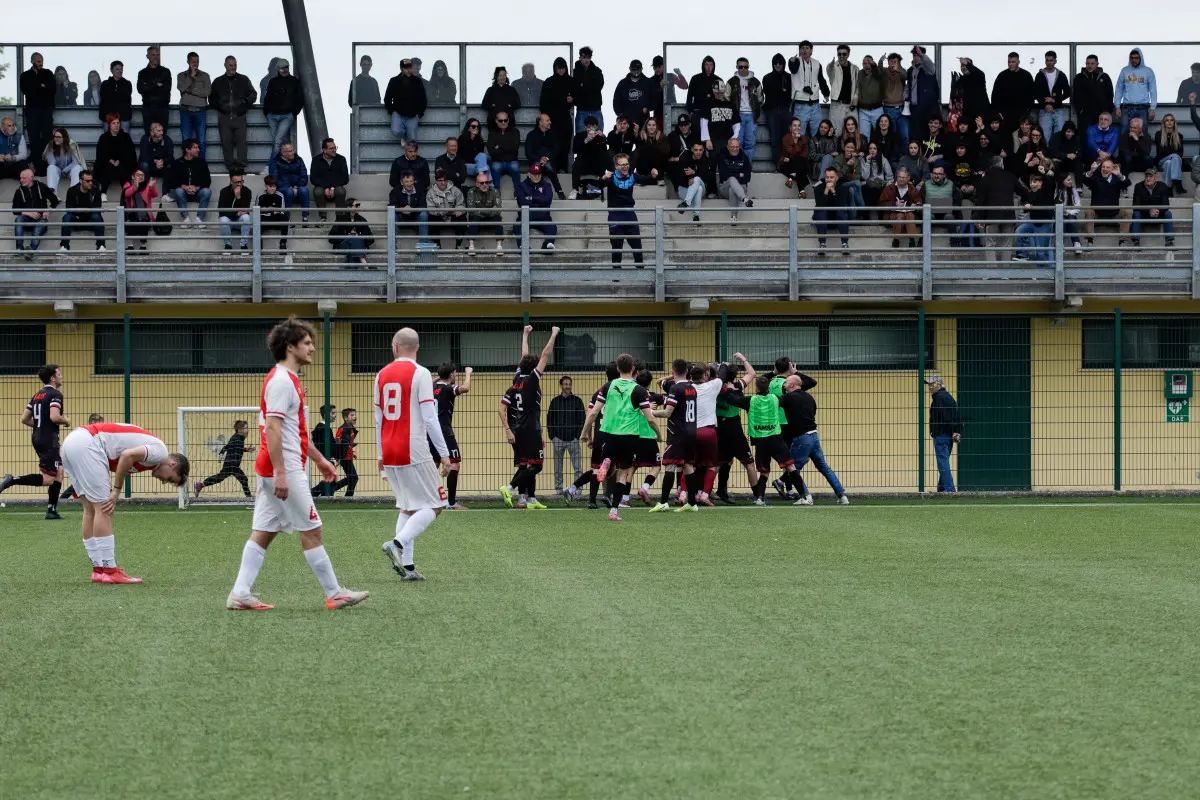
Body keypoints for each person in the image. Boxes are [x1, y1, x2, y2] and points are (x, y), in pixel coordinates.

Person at [226, 317, 368, 610]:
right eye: (306, 343)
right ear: (290, 347)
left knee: (264, 531)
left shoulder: (288, 380)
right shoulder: (281, 381)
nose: (312, 348)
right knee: (312, 529)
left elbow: (294, 432)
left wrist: (319, 461)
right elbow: (274, 429)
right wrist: (281, 473)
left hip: (278, 467)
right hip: (284, 469)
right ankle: (334, 593)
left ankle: (240, 593)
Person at [56, 419, 188, 584]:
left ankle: (99, 570)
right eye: (169, 478)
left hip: (72, 443)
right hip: (87, 443)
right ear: (172, 464)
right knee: (104, 508)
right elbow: (127, 456)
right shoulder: (160, 452)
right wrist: (117, 491)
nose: (163, 481)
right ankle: (110, 571)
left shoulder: (151, 458)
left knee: (89, 509)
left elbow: (124, 457)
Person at [372, 328, 453, 582]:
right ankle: (397, 543)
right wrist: (445, 454)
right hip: (413, 448)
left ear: (395, 347)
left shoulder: (381, 375)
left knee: (408, 506)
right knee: (436, 504)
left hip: (389, 449)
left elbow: (378, 419)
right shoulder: (421, 374)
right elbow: (430, 418)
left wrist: (380, 455)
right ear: (417, 348)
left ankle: (407, 567)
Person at [582, 353, 661, 521]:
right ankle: (614, 511)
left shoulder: (608, 386)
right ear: (633, 369)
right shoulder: (639, 390)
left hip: (608, 434)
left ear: (618, 368)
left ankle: (608, 462)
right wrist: (659, 434)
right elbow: (650, 418)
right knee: (623, 474)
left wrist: (584, 432)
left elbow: (593, 412)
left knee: (609, 465)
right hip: (629, 436)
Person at [498, 325, 561, 510]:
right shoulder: (532, 380)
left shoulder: (517, 378)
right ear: (534, 368)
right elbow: (546, 355)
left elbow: (524, 355)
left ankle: (530, 499)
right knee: (538, 465)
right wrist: (554, 334)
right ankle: (509, 488)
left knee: (526, 464)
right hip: (529, 429)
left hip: (520, 429)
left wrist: (525, 334)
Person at [0, 364, 71, 519]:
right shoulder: (55, 394)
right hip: (48, 440)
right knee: (48, 479)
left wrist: (40, 425)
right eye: (59, 373)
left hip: (38, 437)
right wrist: (66, 421)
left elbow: (24, 419)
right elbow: (54, 417)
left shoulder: (37, 395)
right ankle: (12, 480)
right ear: (52, 377)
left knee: (59, 472)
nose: (61, 376)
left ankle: (51, 510)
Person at [781, 373, 847, 504]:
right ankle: (842, 495)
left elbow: (774, 402)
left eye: (786, 382)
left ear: (792, 385)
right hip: (814, 436)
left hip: (801, 438)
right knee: (824, 467)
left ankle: (805, 496)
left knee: (793, 469)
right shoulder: (810, 397)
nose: (783, 384)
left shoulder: (788, 398)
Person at [711, 356, 758, 504]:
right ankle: (758, 496)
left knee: (722, 461)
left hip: (718, 426)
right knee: (749, 462)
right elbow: (751, 374)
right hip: (733, 428)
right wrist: (743, 359)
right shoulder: (737, 387)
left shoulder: (713, 387)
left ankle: (708, 491)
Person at [601, 154, 657, 267]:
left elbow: (646, 179)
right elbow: (597, 186)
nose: (625, 167)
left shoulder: (632, 176)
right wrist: (603, 178)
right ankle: (617, 274)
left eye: (627, 164)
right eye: (622, 165)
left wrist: (653, 175)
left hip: (629, 214)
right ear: (616, 166)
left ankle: (640, 269)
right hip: (615, 215)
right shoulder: (611, 177)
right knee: (617, 246)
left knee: (637, 245)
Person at [430, 363, 472, 510]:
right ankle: (451, 503)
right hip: (444, 432)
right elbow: (465, 388)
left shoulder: (431, 388)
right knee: (454, 464)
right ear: (451, 375)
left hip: (429, 432)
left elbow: (432, 381)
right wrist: (468, 373)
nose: (456, 376)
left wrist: (439, 377)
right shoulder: (448, 389)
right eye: (455, 373)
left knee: (432, 465)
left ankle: (425, 501)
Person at [209, 56, 257, 174]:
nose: (233, 67)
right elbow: (211, 98)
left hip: (239, 116)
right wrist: (220, 106)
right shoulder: (218, 81)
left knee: (241, 143)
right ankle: (230, 168)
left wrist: (244, 103)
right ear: (225, 65)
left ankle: (241, 168)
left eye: (235, 64)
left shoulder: (244, 80)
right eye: (231, 65)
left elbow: (253, 94)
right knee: (226, 143)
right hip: (224, 117)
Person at [263, 59, 304, 175]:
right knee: (281, 142)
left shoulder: (294, 82)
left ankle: (271, 168)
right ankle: (283, 167)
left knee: (277, 141)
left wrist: (293, 113)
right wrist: (267, 112)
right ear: (277, 69)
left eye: (286, 67)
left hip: (287, 115)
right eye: (282, 68)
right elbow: (267, 97)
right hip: (273, 116)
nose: (284, 70)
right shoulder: (273, 82)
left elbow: (300, 99)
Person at [194, 420, 254, 498]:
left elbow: (233, 447)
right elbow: (227, 447)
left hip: (231, 464)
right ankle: (249, 498)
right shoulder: (236, 438)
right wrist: (221, 453)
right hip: (231, 464)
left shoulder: (238, 438)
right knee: (244, 479)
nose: (248, 430)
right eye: (246, 428)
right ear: (239, 429)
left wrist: (246, 449)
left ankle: (201, 485)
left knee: (220, 478)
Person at [548, 375, 585, 499]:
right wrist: (553, 436)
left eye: (569, 384)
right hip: (558, 438)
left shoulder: (577, 401)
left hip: (573, 439)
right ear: (561, 386)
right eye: (565, 384)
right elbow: (549, 420)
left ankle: (578, 490)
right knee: (558, 467)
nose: (567, 386)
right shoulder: (555, 401)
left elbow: (582, 420)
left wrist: (577, 435)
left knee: (577, 467)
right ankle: (559, 490)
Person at [20, 52, 55, 174]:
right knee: (33, 139)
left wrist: (38, 87)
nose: (41, 63)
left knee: (47, 137)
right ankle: (38, 167)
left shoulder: (48, 73)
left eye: (42, 61)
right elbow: (27, 90)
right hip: (32, 111)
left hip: (46, 110)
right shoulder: (25, 75)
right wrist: (41, 86)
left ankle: (47, 167)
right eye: (38, 61)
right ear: (32, 61)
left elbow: (52, 90)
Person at [12, 167, 58, 258]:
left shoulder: (41, 187)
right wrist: (28, 213)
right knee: (18, 219)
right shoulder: (19, 191)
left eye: (23, 178)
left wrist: (48, 211)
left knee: (39, 226)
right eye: (20, 178)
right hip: (26, 221)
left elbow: (55, 201)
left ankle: (31, 251)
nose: (21, 180)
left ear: (31, 178)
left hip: (40, 220)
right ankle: (19, 249)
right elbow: (14, 209)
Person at [926, 376, 961, 493]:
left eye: (933, 384)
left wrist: (952, 431)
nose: (930, 387)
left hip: (941, 434)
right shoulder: (949, 397)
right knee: (944, 461)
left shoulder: (939, 398)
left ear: (940, 385)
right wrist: (956, 431)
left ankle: (949, 489)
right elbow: (956, 415)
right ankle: (941, 488)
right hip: (949, 435)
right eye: (929, 384)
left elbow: (945, 417)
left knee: (942, 462)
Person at [540, 58, 574, 172]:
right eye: (559, 69)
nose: (561, 71)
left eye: (563, 68)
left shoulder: (570, 81)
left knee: (565, 144)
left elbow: (578, 97)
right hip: (552, 119)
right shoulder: (549, 82)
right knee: (553, 143)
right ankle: (553, 167)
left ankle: (563, 168)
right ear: (555, 69)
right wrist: (545, 117)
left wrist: (572, 100)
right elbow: (543, 101)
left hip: (565, 117)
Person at [1013, 172, 1056, 262]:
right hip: (1033, 221)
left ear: (1041, 183)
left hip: (1045, 223)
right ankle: (1023, 255)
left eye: (1035, 182)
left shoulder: (1046, 191)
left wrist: (1044, 173)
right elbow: (1027, 206)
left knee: (1041, 250)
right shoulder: (1031, 193)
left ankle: (1045, 271)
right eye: (1031, 182)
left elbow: (1049, 183)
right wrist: (1027, 205)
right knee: (1019, 231)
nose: (1032, 184)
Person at [788, 42, 828, 138]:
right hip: (800, 105)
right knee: (799, 134)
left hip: (815, 105)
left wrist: (826, 93)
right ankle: (799, 153)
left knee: (817, 134)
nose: (804, 50)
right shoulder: (795, 61)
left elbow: (821, 79)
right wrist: (792, 61)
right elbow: (793, 69)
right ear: (799, 50)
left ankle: (816, 153)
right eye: (802, 48)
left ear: (811, 51)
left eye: (807, 48)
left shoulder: (817, 63)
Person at [991, 52, 1034, 138]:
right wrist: (998, 112)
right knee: (1007, 138)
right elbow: (995, 95)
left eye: (1013, 62)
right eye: (1009, 62)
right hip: (1005, 115)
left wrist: (1027, 111)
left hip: (1021, 115)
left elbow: (1032, 94)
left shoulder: (1026, 76)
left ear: (1018, 62)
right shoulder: (1002, 76)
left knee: (1021, 138)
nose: (1010, 64)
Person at [384, 59, 428, 144]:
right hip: (398, 113)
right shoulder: (394, 81)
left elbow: (423, 99)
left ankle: (410, 156)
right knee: (395, 131)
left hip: (413, 115)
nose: (408, 69)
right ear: (401, 69)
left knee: (411, 138)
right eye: (406, 67)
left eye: (410, 67)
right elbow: (387, 98)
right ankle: (404, 136)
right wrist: (392, 111)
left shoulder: (417, 81)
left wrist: (419, 113)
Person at [177, 52, 212, 160]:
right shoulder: (181, 75)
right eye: (193, 62)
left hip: (200, 111)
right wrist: (191, 77)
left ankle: (200, 166)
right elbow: (182, 88)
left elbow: (207, 92)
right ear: (188, 62)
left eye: (197, 61)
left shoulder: (205, 76)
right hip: (185, 111)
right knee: (186, 140)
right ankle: (186, 165)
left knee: (201, 141)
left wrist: (191, 90)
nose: (195, 64)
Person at [60, 170, 105, 251]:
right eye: (88, 181)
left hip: (90, 221)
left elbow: (97, 207)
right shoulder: (72, 191)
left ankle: (101, 246)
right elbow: (69, 208)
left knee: (97, 216)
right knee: (66, 217)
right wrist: (83, 213)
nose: (90, 183)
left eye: (92, 180)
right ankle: (64, 246)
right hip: (76, 221)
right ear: (81, 181)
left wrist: (80, 212)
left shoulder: (95, 190)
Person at [514, 164, 557, 250]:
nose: (537, 176)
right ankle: (523, 246)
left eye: (539, 174)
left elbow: (548, 200)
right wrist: (541, 200)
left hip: (543, 217)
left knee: (552, 227)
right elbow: (522, 202)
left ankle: (547, 245)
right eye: (534, 174)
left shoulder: (546, 185)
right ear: (529, 174)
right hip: (527, 216)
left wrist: (531, 198)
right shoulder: (521, 186)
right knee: (518, 226)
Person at [728, 57, 763, 162]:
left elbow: (761, 98)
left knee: (750, 143)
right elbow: (726, 97)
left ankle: (747, 168)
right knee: (738, 143)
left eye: (745, 66)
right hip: (737, 116)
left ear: (748, 67)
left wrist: (756, 110)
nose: (743, 69)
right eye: (740, 67)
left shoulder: (755, 82)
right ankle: (738, 167)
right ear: (737, 67)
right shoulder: (732, 81)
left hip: (752, 116)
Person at [170, 139, 212, 225]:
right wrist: (185, 187)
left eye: (198, 147)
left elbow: (207, 180)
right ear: (187, 150)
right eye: (195, 148)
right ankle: (186, 218)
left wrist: (196, 188)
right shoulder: (177, 163)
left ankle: (199, 219)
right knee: (178, 190)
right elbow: (172, 181)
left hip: (197, 193)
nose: (198, 150)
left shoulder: (201, 162)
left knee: (207, 191)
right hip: (183, 193)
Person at [1115, 48, 1156, 134]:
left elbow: (1153, 90)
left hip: (1142, 107)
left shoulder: (1148, 71)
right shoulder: (1124, 71)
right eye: (1132, 58)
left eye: (1136, 58)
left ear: (1140, 58)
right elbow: (1119, 89)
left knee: (1142, 132)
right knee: (1124, 132)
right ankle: (1125, 148)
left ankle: (1141, 148)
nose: (1134, 60)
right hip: (1126, 107)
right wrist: (1117, 106)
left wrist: (1153, 108)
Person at [1131, 168, 1175, 248]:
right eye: (1146, 176)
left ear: (1156, 177)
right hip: (1144, 214)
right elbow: (1135, 205)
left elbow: (1166, 204)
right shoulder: (1138, 186)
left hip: (1158, 214)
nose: (1148, 178)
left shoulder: (1163, 186)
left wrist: (1158, 211)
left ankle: (1169, 241)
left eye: (1150, 176)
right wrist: (1149, 211)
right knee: (1136, 214)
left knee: (1168, 214)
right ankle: (1136, 242)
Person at [526, 113, 567, 199]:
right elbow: (528, 153)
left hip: (549, 161)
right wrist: (540, 159)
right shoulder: (531, 135)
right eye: (547, 120)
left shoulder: (553, 134)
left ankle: (559, 191)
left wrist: (546, 158)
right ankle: (528, 191)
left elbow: (557, 150)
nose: (550, 122)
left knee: (549, 167)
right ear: (540, 123)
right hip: (536, 161)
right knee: (535, 167)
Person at [880, 167, 923, 248]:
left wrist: (916, 205)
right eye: (899, 177)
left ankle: (909, 239)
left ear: (908, 179)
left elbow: (919, 202)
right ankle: (899, 239)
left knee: (909, 214)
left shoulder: (912, 189)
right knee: (900, 215)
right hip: (892, 214)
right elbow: (881, 204)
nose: (901, 179)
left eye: (903, 177)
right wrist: (894, 203)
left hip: (909, 214)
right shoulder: (889, 188)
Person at [762, 54, 793, 164]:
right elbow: (768, 93)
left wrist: (783, 93)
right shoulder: (767, 77)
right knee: (775, 139)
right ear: (772, 64)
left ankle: (786, 163)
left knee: (786, 139)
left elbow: (790, 94)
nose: (778, 65)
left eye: (780, 63)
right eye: (775, 63)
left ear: (784, 64)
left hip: (785, 110)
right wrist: (782, 91)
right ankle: (778, 163)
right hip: (772, 111)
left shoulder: (789, 77)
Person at [1033, 50, 1071, 140]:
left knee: (1059, 135)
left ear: (1055, 61)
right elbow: (1035, 93)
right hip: (1044, 110)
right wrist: (1045, 104)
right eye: (1047, 60)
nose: (1049, 62)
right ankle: (1044, 154)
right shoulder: (1040, 75)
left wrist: (1055, 100)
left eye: (1051, 60)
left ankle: (1057, 154)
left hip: (1058, 109)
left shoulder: (1061, 75)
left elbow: (1068, 92)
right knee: (1044, 136)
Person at [1072, 54, 1114, 135]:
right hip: (1085, 114)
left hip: (1101, 114)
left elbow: (1110, 94)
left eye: (1092, 63)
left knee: (1101, 136)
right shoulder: (1079, 77)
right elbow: (1075, 95)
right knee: (1085, 136)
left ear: (1097, 64)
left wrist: (1107, 111)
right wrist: (1080, 110)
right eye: (1088, 63)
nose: (1090, 66)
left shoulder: (1105, 77)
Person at [426, 168, 467, 250]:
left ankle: (458, 245)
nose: (443, 182)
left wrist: (459, 210)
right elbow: (430, 209)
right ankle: (437, 245)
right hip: (439, 216)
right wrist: (440, 212)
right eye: (440, 180)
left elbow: (461, 204)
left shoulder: (455, 190)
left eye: (445, 180)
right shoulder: (430, 192)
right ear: (436, 181)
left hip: (452, 215)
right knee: (431, 220)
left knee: (463, 219)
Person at [570, 116, 609, 199]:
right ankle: (575, 189)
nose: (590, 129)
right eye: (588, 127)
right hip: (583, 161)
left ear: (596, 127)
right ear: (585, 127)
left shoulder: (600, 137)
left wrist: (602, 138)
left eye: (593, 126)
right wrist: (586, 140)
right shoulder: (579, 136)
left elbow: (604, 151)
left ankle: (600, 187)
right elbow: (575, 150)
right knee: (576, 164)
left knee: (605, 157)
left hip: (596, 162)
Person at [311, 138, 349, 221]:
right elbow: (313, 178)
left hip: (336, 188)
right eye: (331, 148)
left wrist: (333, 187)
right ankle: (323, 217)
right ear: (324, 150)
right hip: (322, 188)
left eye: (335, 147)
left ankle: (340, 217)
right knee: (317, 191)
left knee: (341, 190)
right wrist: (325, 187)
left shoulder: (341, 159)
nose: (334, 150)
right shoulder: (316, 160)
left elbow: (345, 178)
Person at [907, 46, 940, 142]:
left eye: (918, 55)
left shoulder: (928, 68)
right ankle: (917, 154)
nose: (916, 58)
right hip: (915, 108)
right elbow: (908, 86)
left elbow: (932, 68)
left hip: (928, 108)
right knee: (915, 134)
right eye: (914, 56)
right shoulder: (910, 70)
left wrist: (922, 55)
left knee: (927, 133)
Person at [465, 173, 503, 255]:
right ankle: (471, 246)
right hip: (477, 217)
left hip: (490, 217)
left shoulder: (495, 191)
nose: (485, 185)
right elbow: (471, 210)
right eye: (482, 183)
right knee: (473, 218)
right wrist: (489, 210)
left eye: (487, 182)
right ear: (477, 184)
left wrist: (481, 210)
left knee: (498, 218)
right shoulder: (471, 192)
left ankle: (499, 247)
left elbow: (498, 209)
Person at [137, 46, 172, 136]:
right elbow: (140, 89)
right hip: (148, 108)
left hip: (162, 108)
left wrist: (148, 85)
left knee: (162, 135)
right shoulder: (142, 73)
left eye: (158, 55)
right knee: (149, 135)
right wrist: (155, 84)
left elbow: (167, 89)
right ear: (147, 56)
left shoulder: (165, 71)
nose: (156, 57)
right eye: (153, 55)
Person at [675, 140, 713, 221]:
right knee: (698, 188)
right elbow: (679, 178)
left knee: (697, 179)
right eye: (696, 150)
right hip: (684, 189)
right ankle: (696, 216)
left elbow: (707, 177)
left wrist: (694, 173)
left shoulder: (705, 161)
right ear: (692, 149)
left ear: (703, 150)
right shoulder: (685, 158)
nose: (698, 152)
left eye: (700, 150)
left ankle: (686, 203)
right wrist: (688, 181)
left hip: (701, 188)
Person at [716, 137, 753, 221]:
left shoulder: (744, 157)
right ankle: (744, 199)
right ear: (728, 147)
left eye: (737, 147)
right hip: (724, 187)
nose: (735, 149)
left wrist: (734, 176)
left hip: (741, 187)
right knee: (731, 179)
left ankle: (733, 217)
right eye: (732, 147)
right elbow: (724, 176)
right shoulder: (722, 157)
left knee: (732, 189)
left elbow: (747, 177)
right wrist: (739, 175)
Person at [328, 199, 374, 265]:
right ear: (349, 207)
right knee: (353, 239)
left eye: (359, 205)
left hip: (357, 246)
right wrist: (347, 237)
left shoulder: (362, 220)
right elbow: (331, 238)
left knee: (356, 239)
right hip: (343, 246)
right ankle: (364, 262)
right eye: (356, 205)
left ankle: (363, 262)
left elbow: (371, 239)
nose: (358, 207)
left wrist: (359, 236)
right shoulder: (340, 219)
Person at [121, 168, 157, 251]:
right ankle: (130, 245)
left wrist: (151, 187)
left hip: (145, 214)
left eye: (142, 175)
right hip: (131, 213)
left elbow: (155, 195)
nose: (140, 177)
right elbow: (126, 194)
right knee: (132, 218)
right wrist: (135, 186)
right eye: (138, 175)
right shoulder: (128, 184)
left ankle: (143, 246)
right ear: (133, 177)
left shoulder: (147, 185)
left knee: (143, 218)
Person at [390, 171, 430, 246]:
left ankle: (423, 246)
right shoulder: (395, 191)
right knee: (392, 215)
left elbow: (423, 205)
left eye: (411, 181)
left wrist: (412, 209)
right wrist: (402, 209)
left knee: (424, 214)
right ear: (402, 182)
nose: (409, 183)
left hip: (416, 216)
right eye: (407, 181)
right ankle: (392, 247)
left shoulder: (420, 190)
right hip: (401, 217)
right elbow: (391, 205)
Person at [826, 46, 859, 136]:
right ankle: (836, 150)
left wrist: (855, 98)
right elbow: (829, 70)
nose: (841, 56)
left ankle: (852, 150)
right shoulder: (833, 67)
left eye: (844, 54)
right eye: (839, 54)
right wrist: (831, 65)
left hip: (850, 105)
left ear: (848, 54)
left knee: (853, 131)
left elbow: (857, 86)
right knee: (836, 132)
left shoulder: (855, 68)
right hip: (837, 105)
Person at [486, 111, 521, 195]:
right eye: (501, 120)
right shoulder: (492, 133)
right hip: (497, 161)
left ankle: (518, 191)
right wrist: (507, 147)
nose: (503, 122)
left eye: (505, 120)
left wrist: (499, 146)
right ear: (496, 121)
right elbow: (491, 151)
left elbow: (515, 148)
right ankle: (496, 192)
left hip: (511, 161)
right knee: (495, 167)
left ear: (508, 120)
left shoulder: (515, 131)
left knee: (515, 167)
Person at [701, 79, 738, 156]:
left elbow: (736, 123)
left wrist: (734, 138)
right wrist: (707, 139)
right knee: (713, 163)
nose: (719, 94)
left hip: (728, 139)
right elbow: (703, 122)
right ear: (713, 91)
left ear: (724, 91)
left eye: (721, 92)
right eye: (717, 93)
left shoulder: (730, 104)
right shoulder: (708, 103)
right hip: (713, 140)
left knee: (727, 163)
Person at [274, 142, 310, 223]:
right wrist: (288, 187)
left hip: (297, 187)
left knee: (304, 190)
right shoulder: (275, 161)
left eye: (292, 150)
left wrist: (297, 186)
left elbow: (304, 175)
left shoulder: (299, 160)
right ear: (283, 153)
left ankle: (305, 218)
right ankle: (287, 218)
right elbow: (274, 178)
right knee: (289, 191)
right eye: (290, 151)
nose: (293, 152)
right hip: (282, 187)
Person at [217, 171, 252, 252]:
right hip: (229, 220)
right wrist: (236, 213)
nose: (239, 184)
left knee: (246, 217)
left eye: (241, 181)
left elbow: (245, 209)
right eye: (237, 182)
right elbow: (221, 210)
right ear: (231, 182)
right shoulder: (224, 191)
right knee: (223, 219)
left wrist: (238, 196)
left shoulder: (247, 191)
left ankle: (243, 246)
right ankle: (228, 245)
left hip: (239, 220)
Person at [573, 47, 605, 133]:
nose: (586, 60)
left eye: (588, 57)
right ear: (580, 57)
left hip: (596, 110)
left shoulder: (597, 71)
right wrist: (588, 85)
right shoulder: (574, 72)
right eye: (584, 57)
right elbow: (574, 88)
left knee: (598, 138)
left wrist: (583, 85)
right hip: (581, 110)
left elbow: (599, 86)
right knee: (581, 139)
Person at [613, 60, 651, 130]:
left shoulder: (648, 82)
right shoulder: (622, 83)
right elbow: (616, 101)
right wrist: (620, 115)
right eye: (634, 70)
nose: (636, 72)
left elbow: (654, 98)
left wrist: (648, 107)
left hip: (643, 121)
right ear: (630, 69)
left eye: (638, 70)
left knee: (642, 140)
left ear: (642, 69)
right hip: (626, 122)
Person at [257, 175, 290, 256]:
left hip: (275, 219)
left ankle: (283, 244)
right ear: (266, 186)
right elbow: (257, 211)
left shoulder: (280, 195)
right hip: (264, 219)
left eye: (274, 186)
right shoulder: (260, 195)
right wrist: (273, 210)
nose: (273, 188)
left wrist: (267, 209)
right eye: (270, 186)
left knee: (285, 217)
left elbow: (281, 211)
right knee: (257, 221)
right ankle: (258, 248)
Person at [481, 66, 520, 132]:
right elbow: (484, 104)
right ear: (496, 77)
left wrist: (510, 105)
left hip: (509, 123)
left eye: (504, 75)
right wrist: (492, 106)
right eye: (500, 75)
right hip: (494, 123)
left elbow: (518, 103)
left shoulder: (511, 90)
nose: (502, 77)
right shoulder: (490, 90)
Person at [954, 57, 990, 128]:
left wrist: (967, 64)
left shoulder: (979, 76)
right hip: (967, 115)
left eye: (965, 65)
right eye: (962, 65)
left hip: (981, 114)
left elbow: (978, 73)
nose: (963, 67)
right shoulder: (960, 80)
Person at [98, 61, 133, 133]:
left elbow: (126, 98)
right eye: (117, 69)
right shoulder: (105, 84)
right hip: (108, 117)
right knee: (108, 139)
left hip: (124, 117)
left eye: (121, 69)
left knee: (124, 139)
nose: (120, 71)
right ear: (111, 70)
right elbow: (104, 99)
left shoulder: (127, 83)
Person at [854, 55, 885, 136]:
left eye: (869, 63)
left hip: (877, 109)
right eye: (864, 63)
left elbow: (879, 74)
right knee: (864, 136)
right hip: (863, 110)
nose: (867, 65)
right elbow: (856, 87)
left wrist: (874, 65)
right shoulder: (860, 73)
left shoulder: (877, 73)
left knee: (880, 134)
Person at [776, 118, 809, 189]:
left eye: (799, 125)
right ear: (790, 128)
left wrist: (799, 140)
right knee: (800, 166)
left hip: (798, 162)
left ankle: (791, 178)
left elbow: (805, 154)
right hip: (785, 164)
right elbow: (793, 152)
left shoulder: (804, 138)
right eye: (794, 125)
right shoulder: (786, 138)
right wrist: (797, 142)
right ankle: (801, 191)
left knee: (800, 161)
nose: (797, 128)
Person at [634, 117, 669, 183]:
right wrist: (640, 138)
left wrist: (657, 141)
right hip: (645, 168)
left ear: (656, 126)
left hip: (657, 167)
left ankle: (656, 176)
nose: (651, 127)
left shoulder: (662, 137)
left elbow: (666, 152)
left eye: (653, 125)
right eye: (649, 125)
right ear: (646, 126)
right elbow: (639, 152)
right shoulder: (641, 136)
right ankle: (644, 176)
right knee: (642, 151)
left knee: (656, 152)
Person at [859, 141, 893, 207]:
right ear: (868, 150)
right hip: (868, 185)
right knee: (867, 190)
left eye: (874, 148)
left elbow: (890, 176)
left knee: (879, 190)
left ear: (878, 150)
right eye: (870, 148)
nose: (872, 150)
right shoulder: (863, 160)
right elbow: (865, 177)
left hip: (881, 185)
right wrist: (868, 162)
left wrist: (888, 185)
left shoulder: (883, 160)